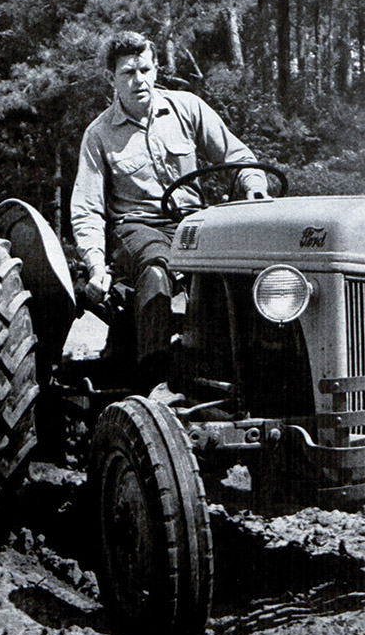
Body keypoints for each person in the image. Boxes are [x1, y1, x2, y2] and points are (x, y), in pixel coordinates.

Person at [70, 31, 267, 392]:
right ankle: (154, 378)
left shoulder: (187, 108)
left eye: (144, 69)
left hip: (193, 224)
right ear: (110, 79)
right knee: (157, 264)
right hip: (136, 229)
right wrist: (97, 266)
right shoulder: (98, 135)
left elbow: (236, 155)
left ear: (156, 69)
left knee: (244, 264)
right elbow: (87, 209)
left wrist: (253, 184)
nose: (138, 79)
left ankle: (246, 372)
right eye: (127, 72)